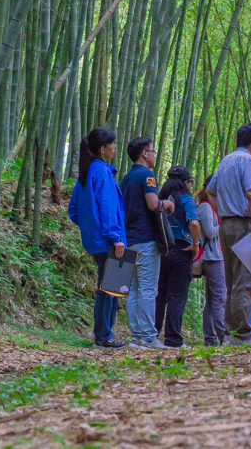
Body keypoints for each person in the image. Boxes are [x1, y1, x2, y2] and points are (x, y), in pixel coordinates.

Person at [206, 123, 251, 345]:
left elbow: (209, 191)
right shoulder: (248, 161)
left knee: (232, 280)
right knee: (246, 278)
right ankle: (242, 334)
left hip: (226, 226)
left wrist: (223, 212)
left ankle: (230, 332)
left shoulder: (226, 160)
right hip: (243, 225)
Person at [68, 127, 128, 349]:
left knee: (110, 286)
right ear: (103, 149)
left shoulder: (87, 171)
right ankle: (103, 336)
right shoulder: (102, 172)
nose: (114, 148)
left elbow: (74, 210)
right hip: (110, 239)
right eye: (112, 144)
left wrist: (90, 228)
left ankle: (105, 335)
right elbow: (107, 207)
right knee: (110, 288)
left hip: (97, 239)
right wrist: (114, 237)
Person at [120, 137, 175, 349]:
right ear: (144, 153)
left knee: (132, 289)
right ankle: (149, 336)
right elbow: (153, 204)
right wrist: (167, 203)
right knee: (148, 289)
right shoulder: (147, 176)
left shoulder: (125, 178)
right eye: (152, 150)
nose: (154, 154)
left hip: (126, 240)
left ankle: (137, 336)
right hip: (145, 240)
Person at [155, 166, 200, 348]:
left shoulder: (159, 199)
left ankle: (152, 335)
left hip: (161, 250)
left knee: (159, 296)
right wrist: (196, 245)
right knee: (177, 297)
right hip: (181, 250)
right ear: (185, 182)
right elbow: (194, 223)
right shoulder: (186, 199)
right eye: (190, 182)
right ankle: (173, 339)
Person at [196, 175, 226, 346]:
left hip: (216, 256)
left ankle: (211, 337)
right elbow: (210, 231)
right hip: (212, 257)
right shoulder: (206, 207)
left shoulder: (213, 207)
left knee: (212, 299)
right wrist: (227, 224)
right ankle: (222, 335)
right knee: (219, 298)